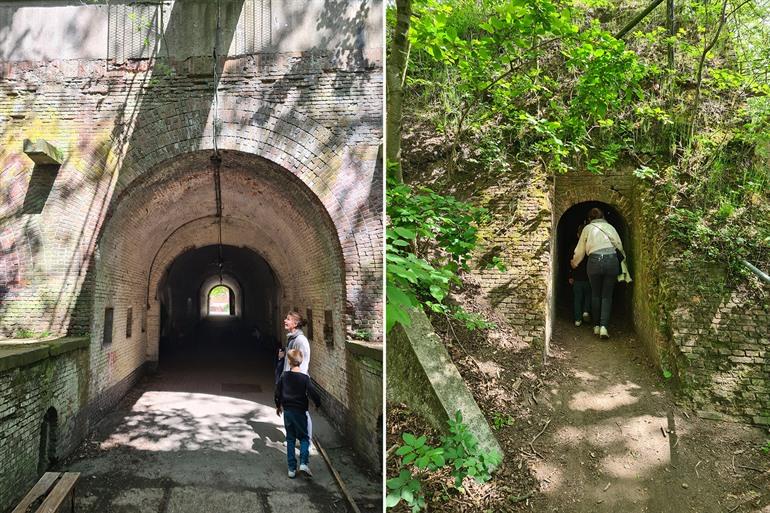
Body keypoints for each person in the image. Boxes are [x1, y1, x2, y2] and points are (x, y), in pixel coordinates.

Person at [571, 208, 625, 339]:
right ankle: (604, 327)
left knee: (595, 294)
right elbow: (619, 245)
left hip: (594, 261)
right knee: (607, 296)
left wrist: (575, 262)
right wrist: (623, 260)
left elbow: (580, 250)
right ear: (603, 217)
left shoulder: (588, 229)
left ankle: (595, 326)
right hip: (611, 260)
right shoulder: (610, 228)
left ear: (590, 219)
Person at [275, 349, 321, 478]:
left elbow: (277, 391)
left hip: (288, 411)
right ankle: (304, 464)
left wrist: (278, 406)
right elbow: (313, 393)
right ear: (300, 362)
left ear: (289, 361)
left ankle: (291, 469)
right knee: (304, 438)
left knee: (290, 438)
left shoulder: (284, 376)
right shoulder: (305, 378)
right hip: (301, 412)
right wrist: (318, 404)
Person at [281, 311, 313, 441]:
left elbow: (303, 362)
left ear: (295, 323)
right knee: (289, 411)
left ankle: (307, 441)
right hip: (288, 380)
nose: (285, 320)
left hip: (296, 383)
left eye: (287, 319)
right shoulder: (292, 338)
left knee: (302, 413)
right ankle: (292, 437)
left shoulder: (300, 340)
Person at [569, 224, 591, 327]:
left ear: (578, 235)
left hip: (577, 278)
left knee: (577, 299)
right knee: (588, 296)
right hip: (589, 278)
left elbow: (570, 263)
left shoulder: (573, 247)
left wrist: (570, 276)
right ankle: (586, 311)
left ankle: (577, 319)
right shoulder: (591, 248)